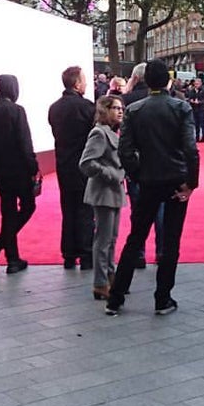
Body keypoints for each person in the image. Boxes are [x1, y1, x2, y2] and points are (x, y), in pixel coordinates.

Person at [107, 59, 199, 316]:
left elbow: (125, 150)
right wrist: (191, 182)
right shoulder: (180, 108)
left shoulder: (134, 109)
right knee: (171, 241)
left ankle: (116, 298)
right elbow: (190, 149)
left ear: (147, 81)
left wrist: (137, 175)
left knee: (135, 237)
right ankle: (162, 298)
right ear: (169, 80)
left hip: (148, 179)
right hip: (175, 179)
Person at [0, 74, 38, 274]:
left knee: (8, 210)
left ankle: (10, 256)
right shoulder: (17, 111)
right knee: (28, 206)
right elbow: (24, 142)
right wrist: (33, 168)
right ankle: (1, 248)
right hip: (19, 169)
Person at [48, 66, 95, 270]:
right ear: (77, 83)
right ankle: (86, 254)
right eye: (84, 80)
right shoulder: (87, 107)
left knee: (68, 209)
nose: (86, 83)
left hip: (63, 164)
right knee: (85, 210)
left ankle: (68, 254)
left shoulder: (54, 108)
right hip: (84, 164)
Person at [80, 96, 125, 300]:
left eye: (121, 108)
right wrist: (110, 174)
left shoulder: (112, 132)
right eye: (115, 108)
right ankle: (100, 282)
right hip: (104, 191)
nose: (120, 111)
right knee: (104, 239)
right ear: (105, 110)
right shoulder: (99, 133)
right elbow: (86, 163)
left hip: (113, 191)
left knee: (112, 238)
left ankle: (109, 275)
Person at [119, 62, 163, 269]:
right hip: (163, 167)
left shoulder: (126, 102)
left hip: (138, 166)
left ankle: (139, 253)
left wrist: (131, 171)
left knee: (139, 212)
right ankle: (162, 251)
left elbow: (124, 143)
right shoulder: (173, 102)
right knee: (161, 210)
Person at [186, 77, 204, 143]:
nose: (196, 85)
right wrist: (191, 101)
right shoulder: (192, 90)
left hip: (201, 109)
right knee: (196, 124)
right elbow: (189, 97)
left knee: (202, 123)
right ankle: (197, 137)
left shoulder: (203, 90)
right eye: (195, 84)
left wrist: (199, 102)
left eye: (197, 84)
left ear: (200, 84)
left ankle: (203, 137)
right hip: (194, 109)